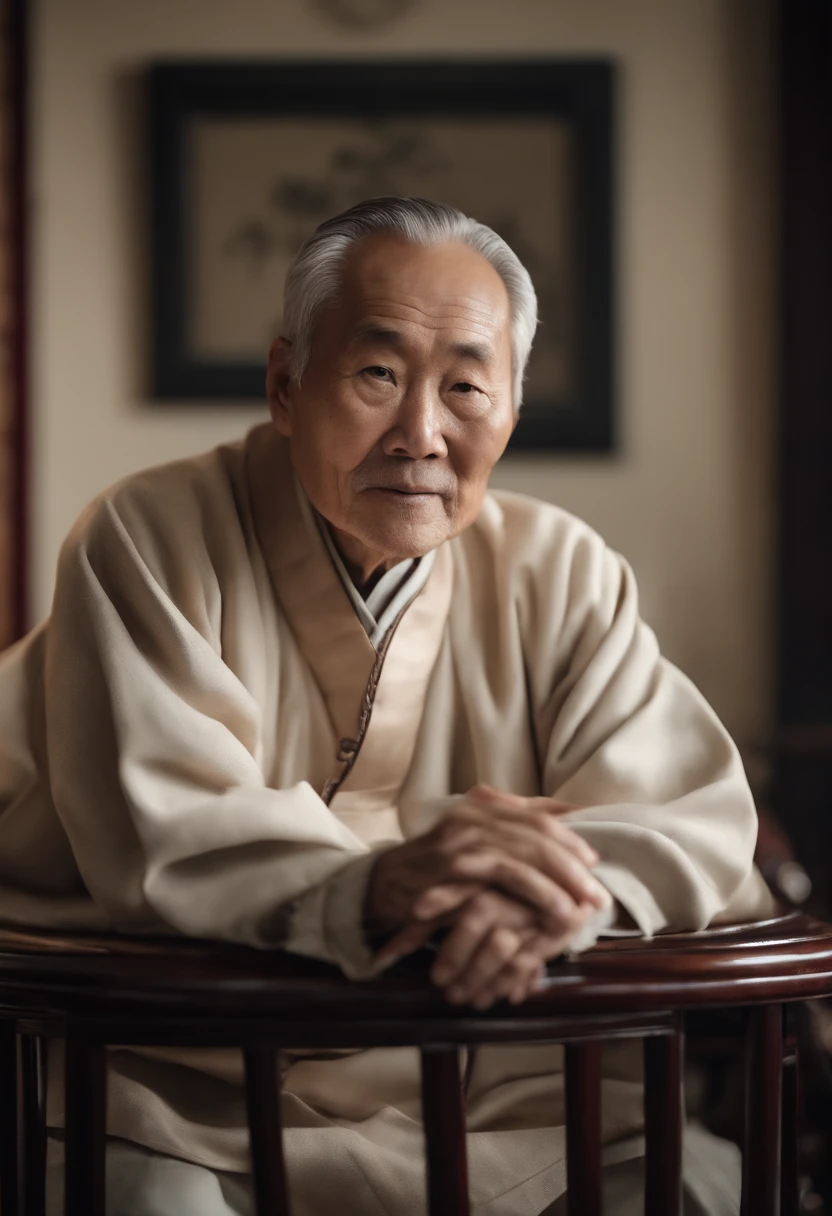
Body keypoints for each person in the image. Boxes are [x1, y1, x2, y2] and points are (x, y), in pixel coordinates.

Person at [0, 197, 772, 1215]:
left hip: (502, 1074)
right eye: (376, 374)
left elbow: (686, 816)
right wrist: (379, 883)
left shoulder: (562, 569)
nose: (421, 432)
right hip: (184, 1072)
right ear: (285, 384)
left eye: (465, 386)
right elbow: (164, 828)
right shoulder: (148, 537)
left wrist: (545, 896)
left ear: (511, 408)